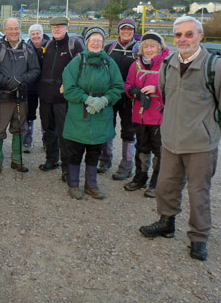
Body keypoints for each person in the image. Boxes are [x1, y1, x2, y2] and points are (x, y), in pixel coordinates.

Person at [140, 16, 221, 261]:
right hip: (171, 141)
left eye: (189, 34)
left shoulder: (214, 66)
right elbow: (164, 96)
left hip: (200, 146)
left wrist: (212, 133)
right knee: (166, 186)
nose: (183, 39)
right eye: (178, 35)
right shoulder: (169, 63)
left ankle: (198, 237)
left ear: (200, 36)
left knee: (199, 193)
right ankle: (166, 222)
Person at [62, 26, 124, 200]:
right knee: (75, 151)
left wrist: (104, 100)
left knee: (94, 151)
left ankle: (91, 184)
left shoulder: (109, 63)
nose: (96, 43)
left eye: (99, 40)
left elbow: (118, 87)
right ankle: (73, 184)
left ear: (103, 43)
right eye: (93, 40)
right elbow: (69, 88)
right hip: (79, 114)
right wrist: (87, 99)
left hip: (101, 115)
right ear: (87, 42)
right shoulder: (76, 62)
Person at [0, 18, 40, 174]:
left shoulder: (27, 49)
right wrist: (5, 82)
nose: (14, 32)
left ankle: (16, 160)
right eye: (10, 29)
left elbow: (35, 70)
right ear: (4, 31)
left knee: (19, 129)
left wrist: (20, 80)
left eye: (16, 28)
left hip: (21, 96)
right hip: (2, 97)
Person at [37, 17, 84, 181]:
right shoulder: (48, 44)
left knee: (65, 134)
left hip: (64, 98)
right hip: (46, 97)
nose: (56, 29)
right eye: (54, 27)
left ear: (67, 27)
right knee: (48, 130)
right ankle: (51, 159)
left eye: (60, 27)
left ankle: (67, 167)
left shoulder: (74, 45)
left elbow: (82, 70)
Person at [123, 32, 169, 197]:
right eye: (146, 46)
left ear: (159, 47)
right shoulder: (136, 65)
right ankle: (140, 177)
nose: (149, 50)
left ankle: (157, 183)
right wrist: (135, 92)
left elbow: (175, 88)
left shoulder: (167, 65)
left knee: (159, 150)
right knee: (141, 147)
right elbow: (127, 85)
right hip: (140, 114)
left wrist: (156, 90)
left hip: (159, 115)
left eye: (152, 46)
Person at [98, 17, 139, 179]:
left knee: (129, 131)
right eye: (123, 29)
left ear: (134, 32)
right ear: (119, 31)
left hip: (130, 97)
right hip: (111, 95)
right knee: (107, 127)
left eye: (130, 29)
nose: (126, 32)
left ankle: (126, 165)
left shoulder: (138, 49)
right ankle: (105, 159)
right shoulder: (109, 48)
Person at [23, 24, 48, 153]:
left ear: (42, 34)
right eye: (33, 34)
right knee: (29, 115)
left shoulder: (49, 47)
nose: (35, 36)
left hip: (46, 86)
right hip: (30, 87)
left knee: (46, 115)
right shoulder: (26, 48)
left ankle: (47, 141)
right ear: (29, 35)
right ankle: (27, 141)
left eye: (38, 33)